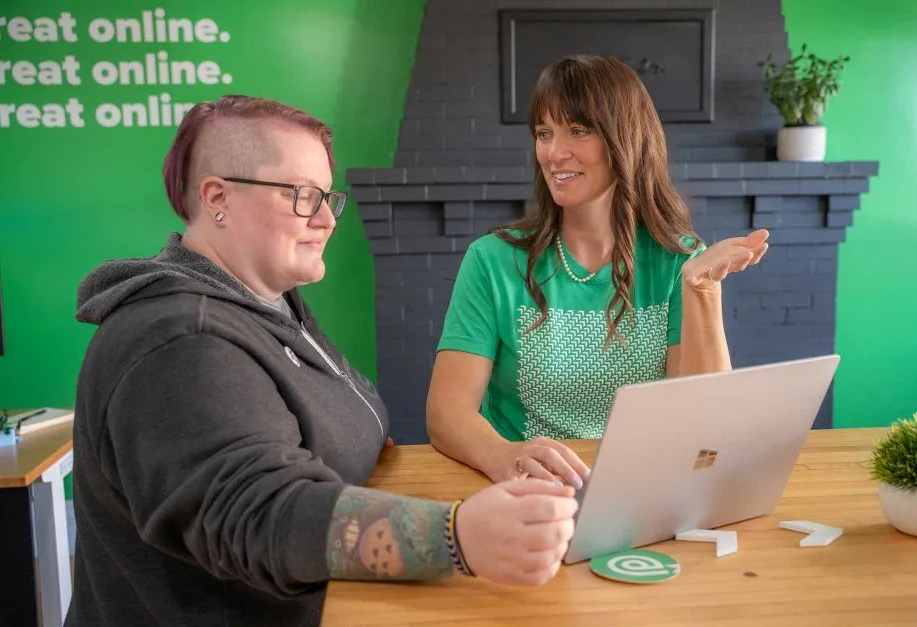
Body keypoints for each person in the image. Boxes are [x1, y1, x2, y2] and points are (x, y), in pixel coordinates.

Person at [66, 95, 579, 627]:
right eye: (302, 196)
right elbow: (259, 514)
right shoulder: (181, 342)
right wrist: (454, 536)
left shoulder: (271, 304)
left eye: (328, 198)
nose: (328, 221)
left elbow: (338, 422)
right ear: (217, 196)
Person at [426, 55, 769, 490]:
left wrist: (701, 288)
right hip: (528, 490)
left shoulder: (677, 261)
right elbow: (446, 413)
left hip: (644, 486)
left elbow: (708, 424)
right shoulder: (492, 260)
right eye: (544, 133)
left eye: (578, 130)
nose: (554, 152)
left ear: (624, 139)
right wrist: (504, 455)